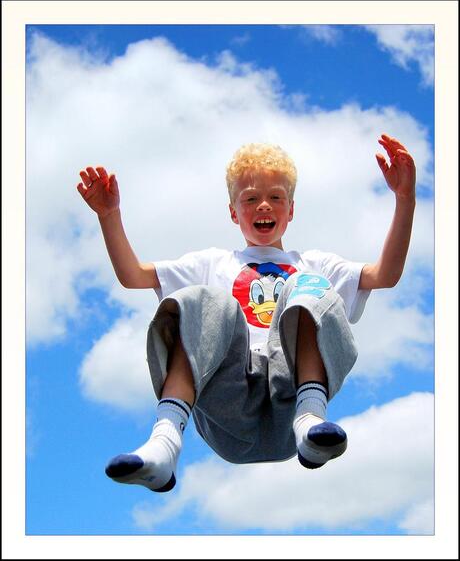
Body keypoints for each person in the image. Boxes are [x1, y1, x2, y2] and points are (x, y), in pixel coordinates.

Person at [77, 134, 416, 493]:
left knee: (308, 286)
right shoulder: (212, 263)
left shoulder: (313, 263)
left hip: (289, 403)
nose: (264, 206)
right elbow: (134, 277)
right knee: (204, 299)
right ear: (233, 212)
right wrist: (109, 216)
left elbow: (385, 275)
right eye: (251, 198)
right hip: (230, 409)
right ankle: (164, 444)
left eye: (275, 198)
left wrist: (404, 199)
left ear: (291, 209)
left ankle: (311, 419)